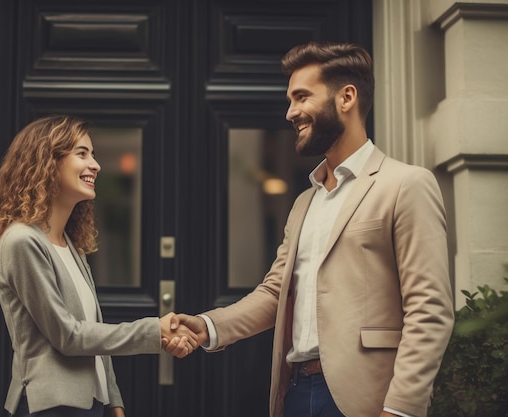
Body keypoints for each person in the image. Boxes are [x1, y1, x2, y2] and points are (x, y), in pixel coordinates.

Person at [165, 41, 455, 417]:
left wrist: (400, 409)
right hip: (297, 391)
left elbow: (429, 309)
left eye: (302, 97)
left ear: (346, 97)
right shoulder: (305, 202)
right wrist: (208, 326)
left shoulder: (406, 185)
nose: (291, 112)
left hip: (367, 397)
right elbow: (275, 293)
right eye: (290, 100)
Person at [0, 115, 197, 417]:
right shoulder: (21, 242)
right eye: (81, 154)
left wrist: (114, 401)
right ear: (47, 162)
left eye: (93, 155)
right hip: (51, 406)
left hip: (90, 405)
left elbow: (91, 332)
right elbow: (68, 336)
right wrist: (154, 329)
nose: (95, 164)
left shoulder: (71, 246)